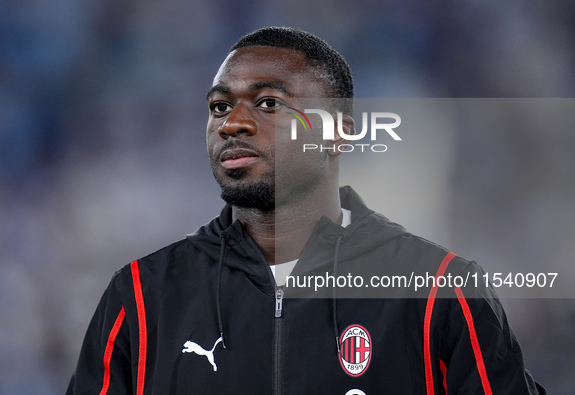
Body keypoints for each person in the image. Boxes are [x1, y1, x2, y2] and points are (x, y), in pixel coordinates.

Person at [67, 27, 545, 394]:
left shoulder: (441, 291)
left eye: (269, 102)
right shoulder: (140, 297)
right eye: (218, 107)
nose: (233, 123)